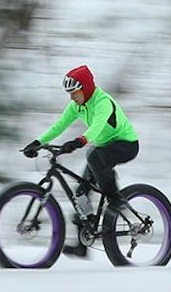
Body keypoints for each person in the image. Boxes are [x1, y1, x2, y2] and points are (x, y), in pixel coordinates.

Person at [22, 64, 138, 256]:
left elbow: (96, 128)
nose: (71, 97)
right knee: (81, 192)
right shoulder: (76, 105)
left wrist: (79, 141)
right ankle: (82, 244)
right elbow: (59, 126)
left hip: (126, 144)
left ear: (85, 89)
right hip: (103, 147)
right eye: (69, 93)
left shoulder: (103, 102)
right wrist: (37, 142)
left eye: (74, 92)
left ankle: (116, 198)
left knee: (93, 155)